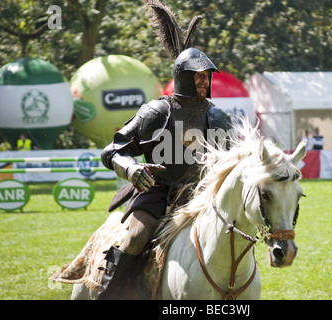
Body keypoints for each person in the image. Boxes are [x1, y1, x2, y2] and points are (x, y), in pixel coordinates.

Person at [98, 2, 233, 300]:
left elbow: (236, 158)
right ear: (183, 77)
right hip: (157, 191)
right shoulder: (156, 111)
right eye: (198, 77)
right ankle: (108, 293)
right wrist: (132, 169)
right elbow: (113, 150)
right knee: (135, 237)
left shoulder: (219, 117)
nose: (204, 81)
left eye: (207, 77)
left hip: (201, 195)